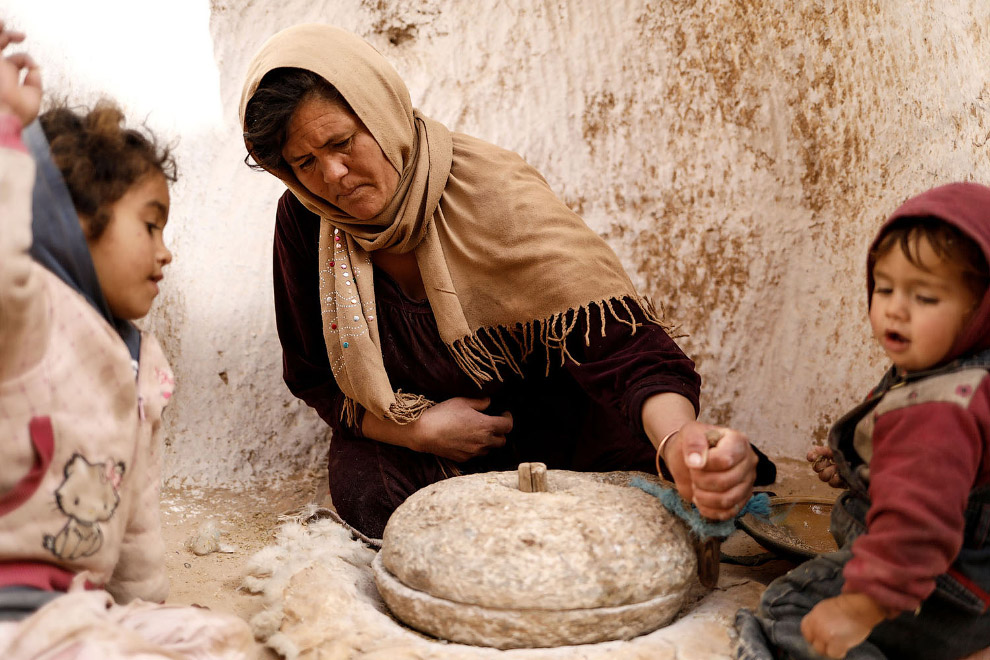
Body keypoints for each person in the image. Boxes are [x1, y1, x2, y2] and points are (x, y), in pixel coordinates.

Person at [239, 23, 775, 539]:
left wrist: (680, 441)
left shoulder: (491, 190)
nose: (331, 175)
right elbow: (315, 378)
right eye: (304, 163)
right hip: (428, 444)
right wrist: (420, 429)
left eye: (341, 142)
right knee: (367, 492)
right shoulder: (307, 221)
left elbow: (625, 350)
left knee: (639, 493)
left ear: (381, 115)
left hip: (553, 425)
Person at [0, 24, 253, 657]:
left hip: (74, 612)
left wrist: (143, 611)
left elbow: (135, 509)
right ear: (71, 222)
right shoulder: (28, 316)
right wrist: (7, 121)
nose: (165, 254)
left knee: (220, 636)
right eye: (150, 225)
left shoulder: (142, 362)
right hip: (10, 613)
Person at [735, 183, 990, 660]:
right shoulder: (963, 371)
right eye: (886, 287)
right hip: (969, 580)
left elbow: (919, 526)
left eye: (926, 297)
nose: (895, 307)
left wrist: (861, 606)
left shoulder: (939, 409)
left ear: (979, 309)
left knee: (787, 609)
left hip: (935, 584)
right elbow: (941, 472)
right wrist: (862, 464)